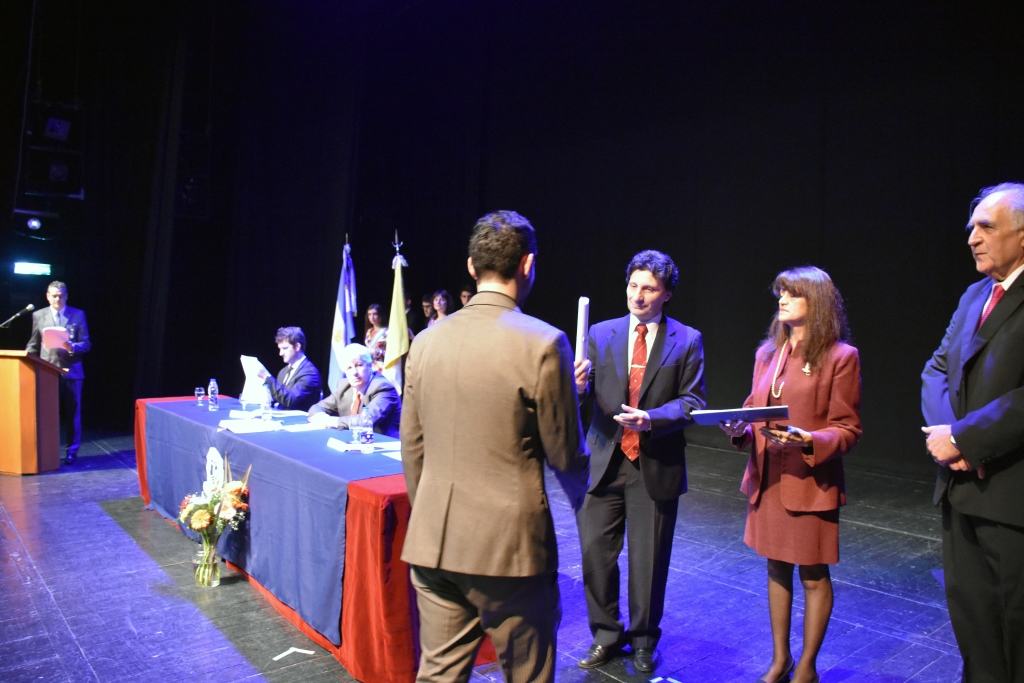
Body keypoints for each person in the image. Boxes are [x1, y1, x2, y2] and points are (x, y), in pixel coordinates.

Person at [401, 210, 589, 683]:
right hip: (511, 554)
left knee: (438, 676)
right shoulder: (545, 344)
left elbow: (413, 447)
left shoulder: (424, 343)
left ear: (471, 267)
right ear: (528, 265)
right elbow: (565, 455)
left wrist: (430, 514)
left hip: (434, 543)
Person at [720, 266, 861, 683]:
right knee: (776, 568)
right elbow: (754, 410)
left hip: (809, 483)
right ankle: (780, 661)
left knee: (813, 575)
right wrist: (739, 428)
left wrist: (808, 439)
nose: (781, 299)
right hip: (768, 482)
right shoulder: (767, 353)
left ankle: (807, 667)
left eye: (792, 294)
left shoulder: (840, 357)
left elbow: (848, 428)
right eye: (779, 293)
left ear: (815, 302)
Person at [575, 250, 706, 674]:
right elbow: (580, 393)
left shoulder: (686, 339)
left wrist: (651, 419)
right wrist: (574, 384)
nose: (639, 295)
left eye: (649, 288)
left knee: (648, 561)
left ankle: (644, 639)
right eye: (633, 286)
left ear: (666, 293)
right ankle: (606, 636)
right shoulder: (601, 332)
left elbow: (692, 402)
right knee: (596, 555)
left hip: (654, 460)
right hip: (603, 459)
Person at [922, 182, 1024, 682]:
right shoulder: (973, 295)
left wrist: (965, 439)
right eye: (970, 227)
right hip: (960, 489)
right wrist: (948, 437)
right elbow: (936, 368)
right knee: (975, 630)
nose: (971, 238)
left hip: (1012, 499)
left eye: (986, 227)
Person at [25, 280, 91, 464]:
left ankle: (72, 452)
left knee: (73, 414)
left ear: (66, 296)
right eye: (54, 296)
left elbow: (86, 343)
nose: (57, 299)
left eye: (61, 296)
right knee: (46, 414)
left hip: (72, 372)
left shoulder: (78, 315)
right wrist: (27, 359)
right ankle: (47, 451)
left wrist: (72, 347)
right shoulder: (39, 315)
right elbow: (33, 343)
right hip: (47, 371)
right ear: (47, 296)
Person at [309, 343, 401, 437]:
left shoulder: (383, 388)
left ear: (370, 366)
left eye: (359, 365)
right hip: (353, 441)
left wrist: (330, 421)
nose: (354, 373)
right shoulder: (344, 386)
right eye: (349, 368)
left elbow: (365, 421)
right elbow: (316, 407)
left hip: (383, 445)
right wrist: (319, 417)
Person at [257, 327, 321, 411]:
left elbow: (289, 401)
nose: (280, 353)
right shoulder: (283, 371)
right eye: (279, 349)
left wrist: (267, 377)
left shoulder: (310, 374)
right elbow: (277, 398)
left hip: (298, 421)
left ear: (297, 347)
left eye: (285, 348)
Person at [364, 303, 388, 369]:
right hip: (369, 367)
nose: (372, 317)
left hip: (382, 368)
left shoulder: (388, 332)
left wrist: (375, 352)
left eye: (375, 314)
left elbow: (392, 354)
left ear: (380, 315)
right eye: (369, 314)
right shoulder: (369, 332)